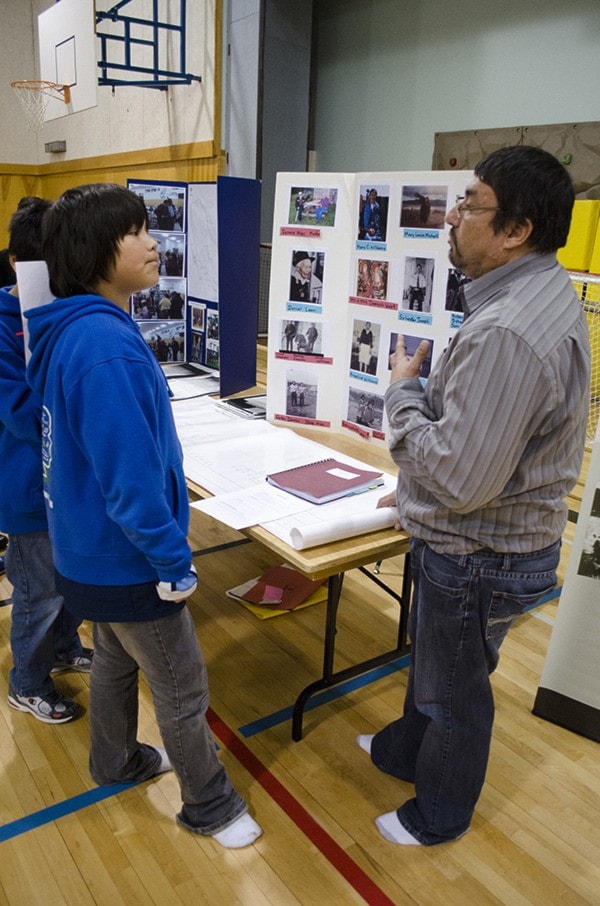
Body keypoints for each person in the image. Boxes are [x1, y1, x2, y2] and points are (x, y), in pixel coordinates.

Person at [360, 146, 590, 846]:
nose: (453, 217)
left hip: (480, 552)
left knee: (455, 694)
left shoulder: (508, 332)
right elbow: (479, 442)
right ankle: (404, 752)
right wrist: (414, 496)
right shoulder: (537, 289)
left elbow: (462, 480)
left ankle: (439, 815)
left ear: (515, 229)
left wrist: (399, 393)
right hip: (489, 539)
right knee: (438, 668)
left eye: (471, 204)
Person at [25, 183, 262, 848]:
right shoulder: (102, 346)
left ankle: (115, 761)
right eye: (136, 232)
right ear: (98, 251)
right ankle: (210, 806)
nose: (155, 241)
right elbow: (128, 480)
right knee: (182, 690)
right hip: (126, 561)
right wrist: (172, 559)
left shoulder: (76, 328)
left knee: (113, 662)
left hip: (86, 554)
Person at [1, 197, 91, 724]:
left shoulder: (63, 309)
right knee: (37, 592)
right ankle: (27, 683)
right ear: (16, 263)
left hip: (68, 482)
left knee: (69, 580)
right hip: (25, 487)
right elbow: (21, 412)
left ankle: (63, 647)